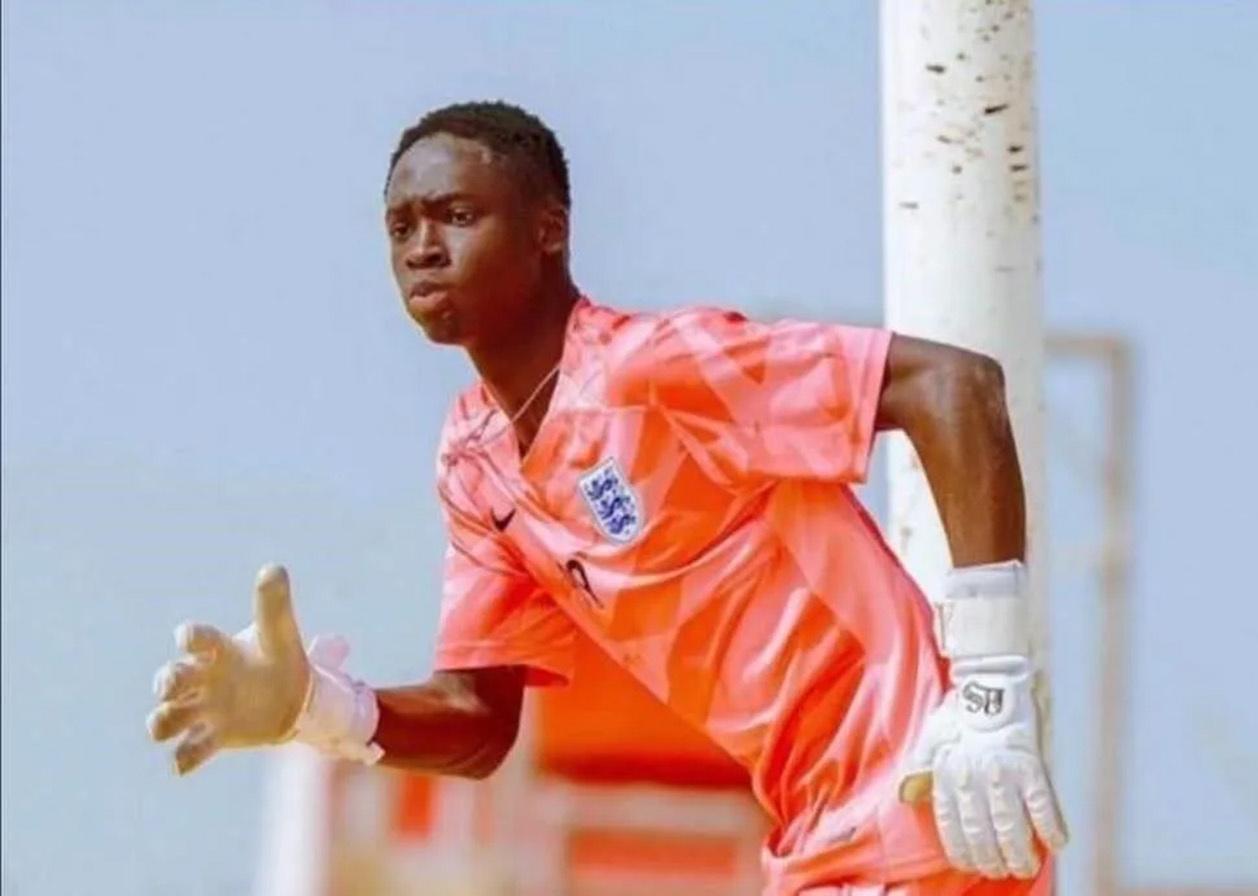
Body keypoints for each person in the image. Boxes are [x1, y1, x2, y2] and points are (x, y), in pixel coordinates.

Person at [146, 101, 1066, 894]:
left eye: (457, 215)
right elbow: (478, 723)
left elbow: (953, 387)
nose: (423, 248)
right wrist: (314, 708)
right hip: (814, 838)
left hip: (927, 801)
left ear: (549, 229)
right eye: (401, 227)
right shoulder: (475, 463)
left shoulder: (655, 367)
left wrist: (990, 688)